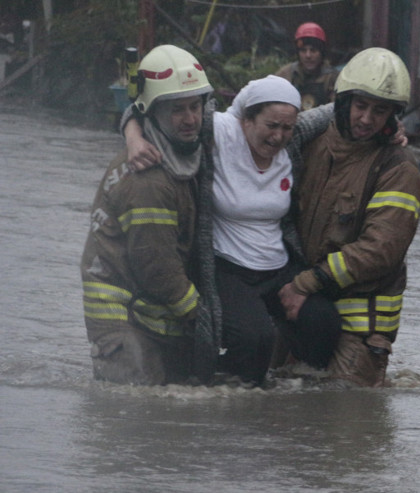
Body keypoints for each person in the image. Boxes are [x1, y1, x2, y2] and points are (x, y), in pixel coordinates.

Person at [123, 76, 342, 387]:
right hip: (227, 266)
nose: (279, 136)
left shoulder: (293, 136)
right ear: (247, 119)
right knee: (254, 341)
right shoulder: (218, 129)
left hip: (278, 265)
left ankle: (296, 396)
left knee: (324, 323)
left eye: (286, 128)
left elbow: (341, 109)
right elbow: (145, 109)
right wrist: (133, 137)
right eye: (271, 126)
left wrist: (391, 130)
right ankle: (225, 405)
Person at [277, 47, 420, 387]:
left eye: (380, 110)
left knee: (347, 421)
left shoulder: (398, 168)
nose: (367, 119)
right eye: (360, 105)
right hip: (302, 311)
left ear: (393, 115)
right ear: (342, 102)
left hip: (359, 332)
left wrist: (306, 282)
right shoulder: (313, 144)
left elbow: (380, 250)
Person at [80, 45, 217, 385]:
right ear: (152, 113)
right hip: (123, 322)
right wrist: (203, 320)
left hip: (148, 312)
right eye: (177, 110)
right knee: (140, 416)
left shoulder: (173, 150)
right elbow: (157, 267)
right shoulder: (148, 179)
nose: (190, 119)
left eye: (195, 106)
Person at [275, 22, 338, 111]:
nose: (308, 55)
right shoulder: (286, 74)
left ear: (321, 53)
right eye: (303, 50)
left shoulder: (332, 78)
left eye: (313, 50)